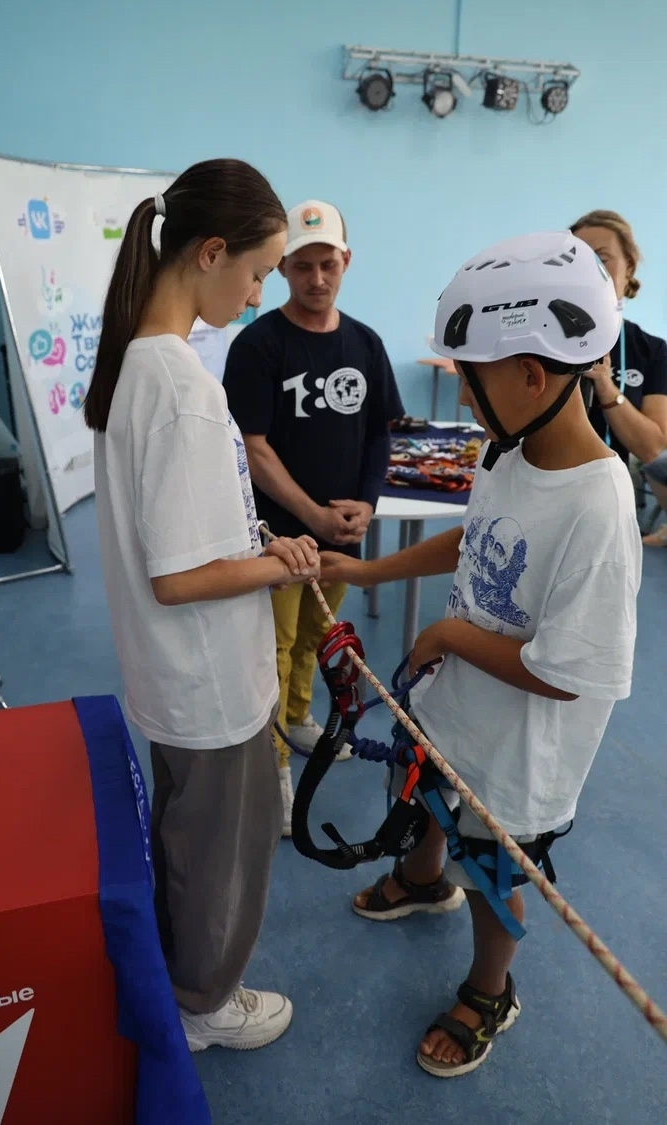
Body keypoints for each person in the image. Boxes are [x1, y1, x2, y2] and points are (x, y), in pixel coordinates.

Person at [320, 230, 641, 1077]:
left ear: (532, 376)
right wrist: (368, 568)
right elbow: (476, 539)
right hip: (458, 708)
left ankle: (489, 987)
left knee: (495, 870)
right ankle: (423, 878)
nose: (460, 391)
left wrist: (447, 634)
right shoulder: (509, 450)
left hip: (520, 754)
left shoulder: (599, 504)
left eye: (471, 375)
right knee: (427, 792)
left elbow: (569, 674)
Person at [84, 159, 322, 1052]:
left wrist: (256, 545)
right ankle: (205, 1002)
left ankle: (184, 977)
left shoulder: (140, 363)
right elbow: (179, 578)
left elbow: (180, 534)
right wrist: (271, 568)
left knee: (189, 837)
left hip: (174, 675)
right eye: (257, 272)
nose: (259, 295)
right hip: (209, 682)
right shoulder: (181, 385)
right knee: (223, 850)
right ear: (210, 252)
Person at [223, 199, 403, 834]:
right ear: (282, 268)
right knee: (270, 647)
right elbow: (253, 447)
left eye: (328, 264)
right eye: (302, 266)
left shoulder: (366, 344)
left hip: (340, 536)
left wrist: (366, 504)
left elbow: (379, 434)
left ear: (346, 261)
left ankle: (298, 718)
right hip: (275, 534)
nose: (317, 279)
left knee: (316, 638)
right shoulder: (258, 346)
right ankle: (272, 764)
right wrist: (311, 517)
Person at [569, 211, 667, 537]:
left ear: (629, 269)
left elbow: (653, 449)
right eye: (577, 260)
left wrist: (606, 387)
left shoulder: (651, 350)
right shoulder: (541, 342)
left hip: (612, 506)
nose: (589, 271)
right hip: (547, 496)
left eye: (602, 259)